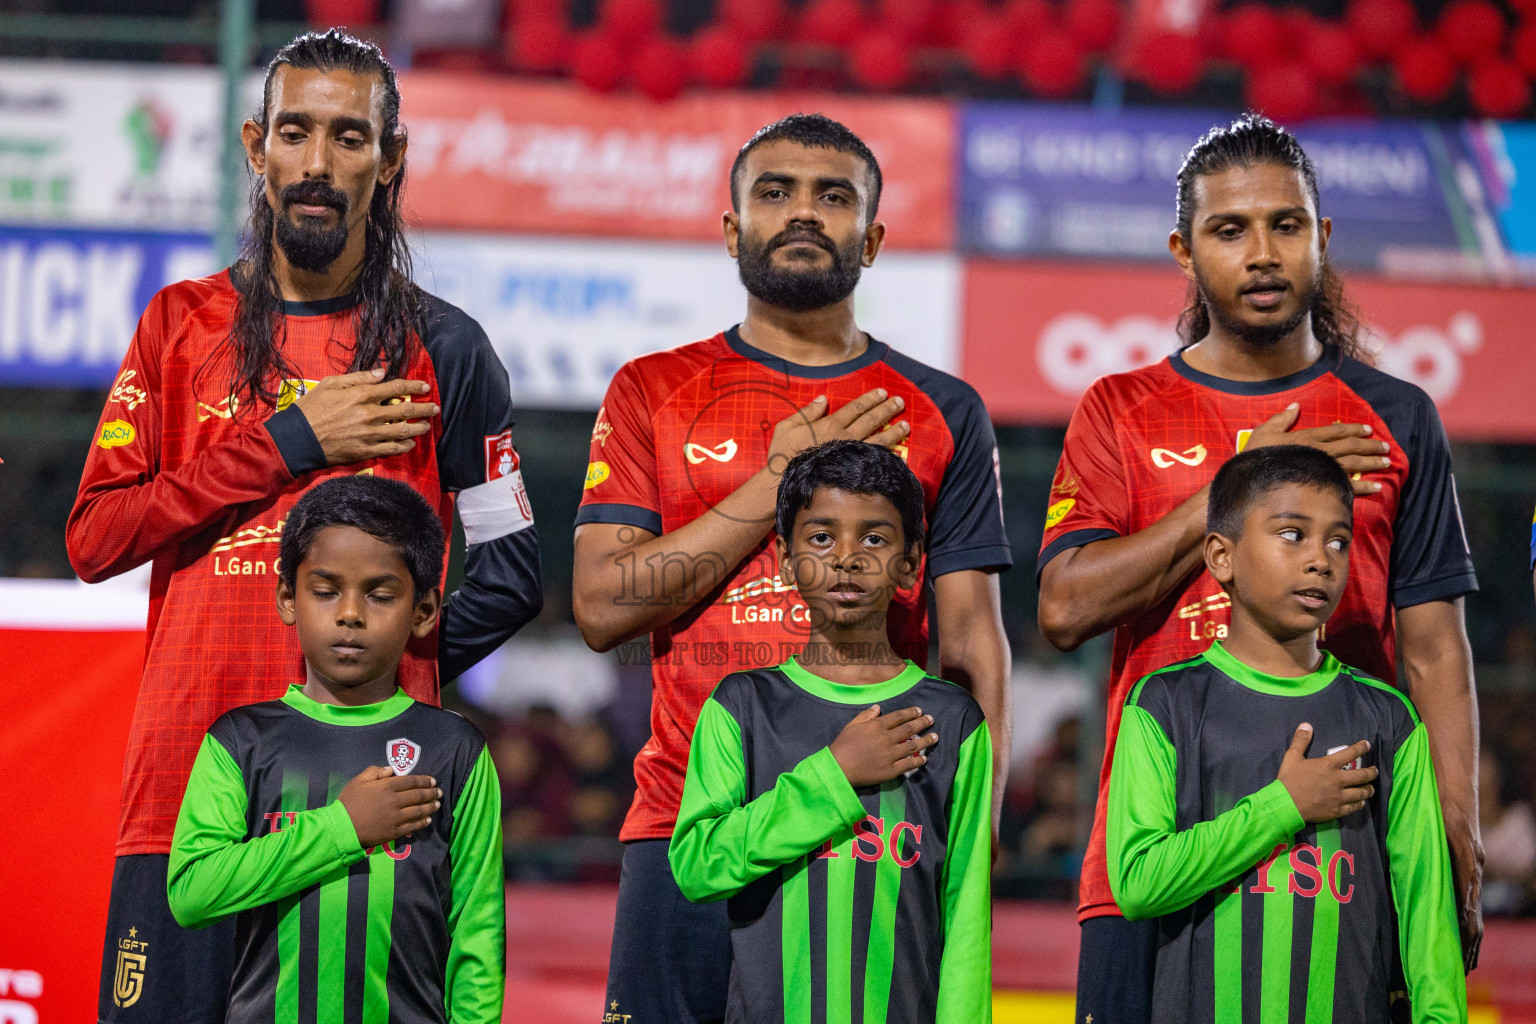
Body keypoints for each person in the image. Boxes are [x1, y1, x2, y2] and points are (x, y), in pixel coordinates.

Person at [69, 30, 541, 1023]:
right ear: (256, 145)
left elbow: (509, 571)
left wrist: (389, 674)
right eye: (295, 133)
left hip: (376, 797)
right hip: (183, 799)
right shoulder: (177, 326)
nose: (319, 165)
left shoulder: (448, 349)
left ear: (392, 158)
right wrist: (288, 440)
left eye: (349, 137)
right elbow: (97, 537)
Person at [1036, 114, 1481, 1023]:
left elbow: (1435, 650)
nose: (1263, 252)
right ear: (1184, 251)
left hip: (1343, 852)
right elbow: (1064, 609)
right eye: (1229, 230)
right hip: (1149, 859)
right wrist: (1226, 493)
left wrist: (1453, 824)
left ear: (1322, 237)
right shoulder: (1120, 409)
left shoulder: (1397, 415)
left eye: (1285, 224)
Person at [573, 114, 1011, 1022]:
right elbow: (605, 604)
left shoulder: (944, 410)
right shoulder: (651, 389)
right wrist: (771, 480)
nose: (803, 212)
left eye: (834, 196)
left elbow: (971, 638)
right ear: (733, 230)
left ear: (875, 239)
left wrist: (976, 828)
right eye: (774, 192)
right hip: (687, 823)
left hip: (880, 825)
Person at [1106, 445, 1465, 1023]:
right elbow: (1138, 882)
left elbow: (1426, 913)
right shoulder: (1165, 703)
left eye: (1338, 540)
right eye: (1292, 534)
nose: (1321, 559)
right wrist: (1285, 804)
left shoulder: (1389, 717)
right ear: (1221, 556)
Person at [670, 440, 992, 1024]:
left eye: (874, 538)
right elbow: (698, 865)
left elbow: (966, 915)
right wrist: (835, 775)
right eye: (821, 537)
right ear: (787, 559)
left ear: (911, 563)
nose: (847, 557)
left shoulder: (952, 720)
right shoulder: (742, 706)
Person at [168, 475, 504, 1023]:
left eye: (380, 594)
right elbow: (192, 892)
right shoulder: (241, 740)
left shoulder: (454, 749)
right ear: (287, 598)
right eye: (326, 591)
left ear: (423, 611)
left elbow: (478, 930)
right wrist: (345, 828)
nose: (350, 613)